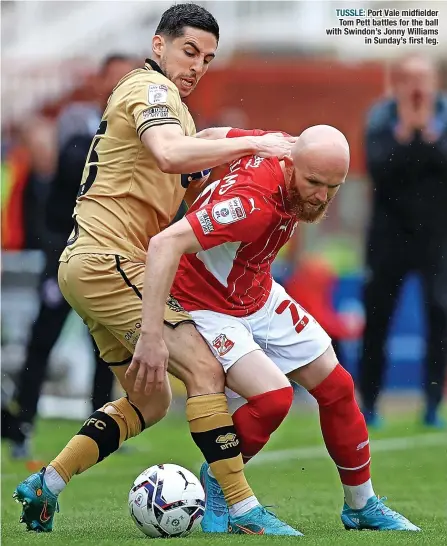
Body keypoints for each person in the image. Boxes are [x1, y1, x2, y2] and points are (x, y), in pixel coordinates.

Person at [13, 4, 298, 536]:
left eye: (208, 59)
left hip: (94, 264)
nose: (197, 66)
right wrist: (259, 142)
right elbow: (170, 154)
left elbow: (193, 147)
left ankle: (46, 485)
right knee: (205, 371)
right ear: (159, 44)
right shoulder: (150, 89)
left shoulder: (173, 108)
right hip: (108, 260)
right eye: (190, 51)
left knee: (151, 398)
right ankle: (241, 509)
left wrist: (254, 143)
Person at [141, 125, 420, 534]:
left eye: (333, 187)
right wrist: (152, 335)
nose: (321, 196)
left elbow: (217, 134)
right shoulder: (250, 203)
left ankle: (361, 507)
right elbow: (164, 245)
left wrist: (196, 160)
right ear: (290, 163)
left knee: (338, 388)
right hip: (208, 303)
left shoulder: (278, 142)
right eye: (313, 182)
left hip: (256, 291)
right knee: (274, 398)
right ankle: (220, 483)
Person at [3, 55, 136, 460]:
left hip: (112, 261)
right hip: (68, 258)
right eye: (113, 80)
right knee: (42, 339)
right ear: (99, 85)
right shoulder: (79, 143)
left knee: (108, 346)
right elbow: (55, 208)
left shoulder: (147, 143)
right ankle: (22, 424)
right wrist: (54, 256)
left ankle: (102, 424)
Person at [359, 55, 447, 427]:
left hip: (436, 240)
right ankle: (370, 404)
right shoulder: (381, 118)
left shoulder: (444, 116)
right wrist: (406, 134)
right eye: (408, 78)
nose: (415, 86)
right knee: (377, 321)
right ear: (396, 82)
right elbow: (379, 167)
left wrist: (426, 135)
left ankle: (431, 405)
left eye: (422, 78)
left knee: (439, 319)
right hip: (387, 239)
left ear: (434, 81)